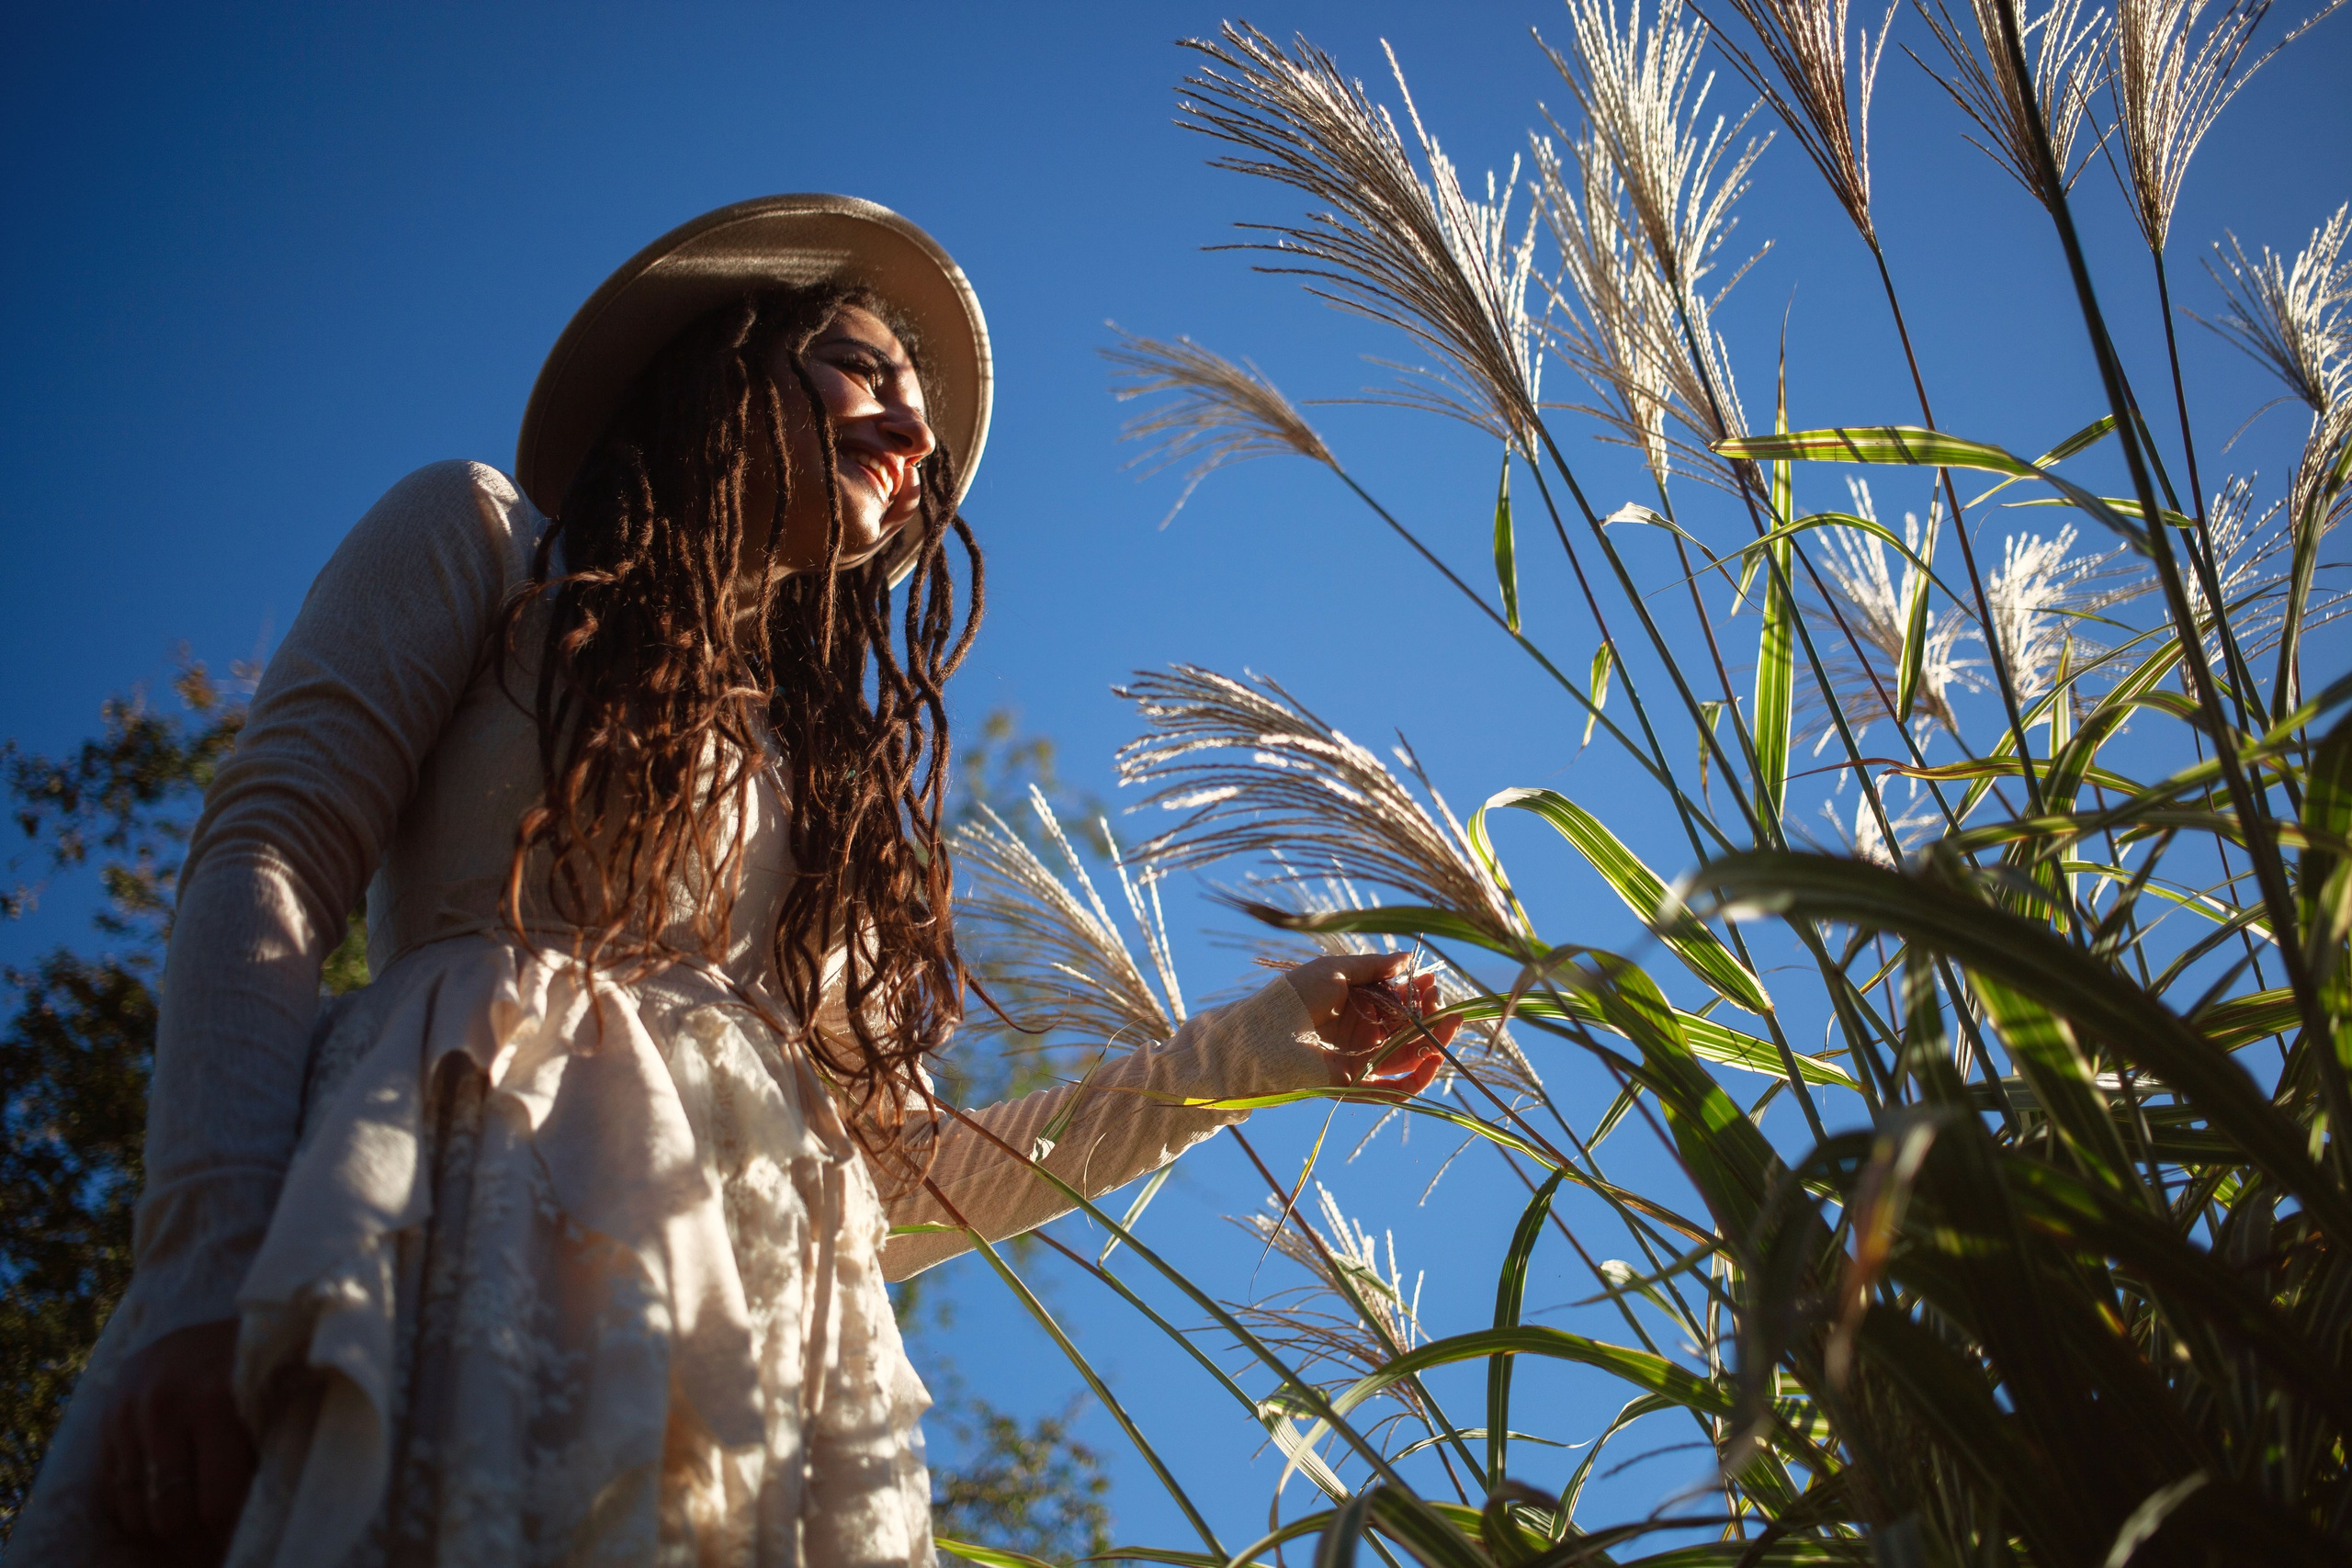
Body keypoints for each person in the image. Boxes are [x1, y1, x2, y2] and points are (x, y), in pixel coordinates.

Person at [6, 195, 1455, 1568]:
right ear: (722, 373)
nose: (911, 431)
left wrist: (1254, 1050)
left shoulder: (825, 811)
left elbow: (896, 1186)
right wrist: (204, 1271)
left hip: (756, 1357)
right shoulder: (488, 540)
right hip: (457, 1234)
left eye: (928, 425)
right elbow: (268, 852)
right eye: (860, 370)